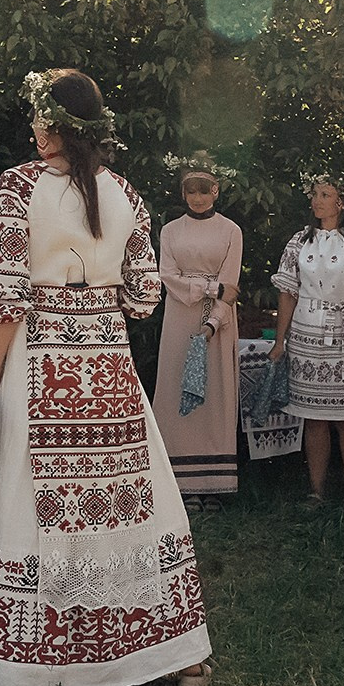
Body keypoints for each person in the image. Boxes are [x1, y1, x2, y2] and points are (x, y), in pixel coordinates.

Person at [0, 68, 212, 686]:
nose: (31, 128)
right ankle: (165, 651)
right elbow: (144, 296)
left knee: (44, 499)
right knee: (129, 491)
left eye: (37, 117)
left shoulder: (18, 185)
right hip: (107, 360)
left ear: (55, 124)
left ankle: (59, 662)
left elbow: (9, 291)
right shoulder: (125, 190)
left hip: (42, 356)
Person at [272, 176, 344, 507]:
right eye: (315, 195)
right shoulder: (299, 242)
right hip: (308, 334)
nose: (317, 201)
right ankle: (316, 490)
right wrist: (280, 341)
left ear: (341, 203)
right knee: (314, 418)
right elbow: (287, 292)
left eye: (325, 195)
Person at [153, 152, 244, 508]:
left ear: (215, 191)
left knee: (215, 394)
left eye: (204, 191)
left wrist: (213, 322)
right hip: (179, 318)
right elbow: (168, 277)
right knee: (176, 390)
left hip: (217, 324)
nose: (198, 198)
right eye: (191, 191)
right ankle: (181, 484)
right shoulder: (170, 231)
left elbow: (230, 285)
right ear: (183, 194)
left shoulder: (230, 231)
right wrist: (208, 289)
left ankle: (214, 484)